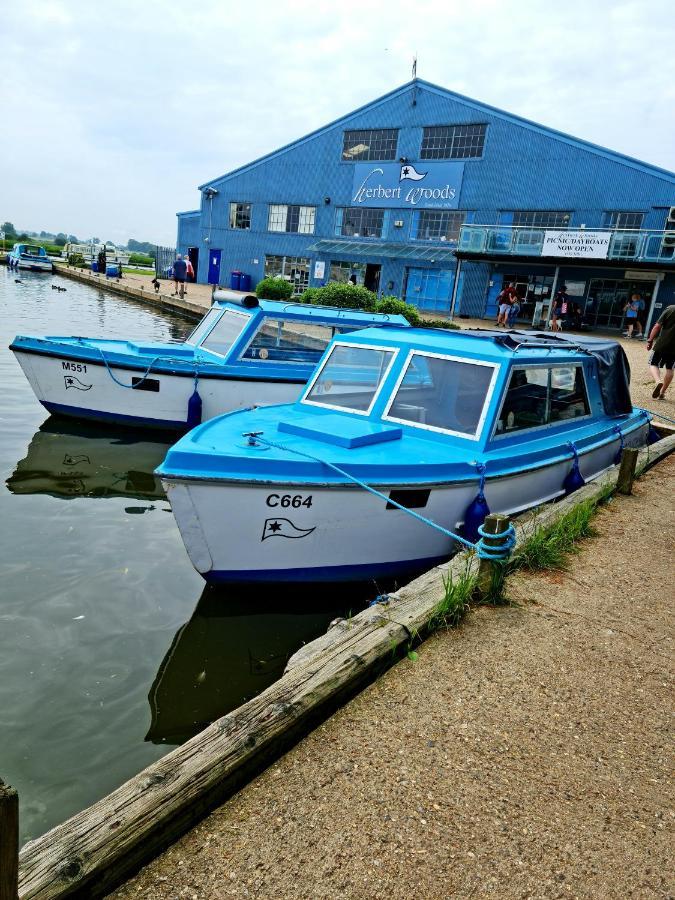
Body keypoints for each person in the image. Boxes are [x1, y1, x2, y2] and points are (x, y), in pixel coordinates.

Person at [646, 304, 675, 400]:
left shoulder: (670, 309)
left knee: (653, 364)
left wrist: (650, 340)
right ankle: (662, 393)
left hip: (663, 343)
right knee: (670, 369)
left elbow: (657, 326)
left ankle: (658, 381)